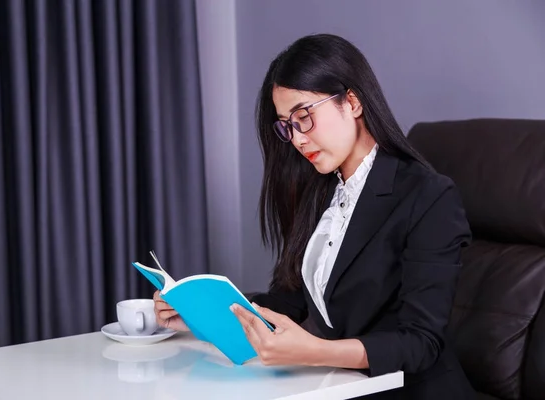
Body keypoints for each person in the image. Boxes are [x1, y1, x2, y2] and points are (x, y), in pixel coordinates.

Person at [154, 33, 475, 399]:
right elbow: (292, 300)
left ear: (352, 102)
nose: (297, 139)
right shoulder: (321, 188)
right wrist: (204, 316)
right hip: (335, 385)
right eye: (286, 126)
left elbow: (421, 343)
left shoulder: (428, 195)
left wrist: (314, 351)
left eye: (304, 117)